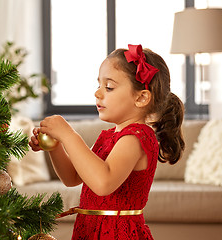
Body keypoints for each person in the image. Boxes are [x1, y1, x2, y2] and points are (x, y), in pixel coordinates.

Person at [29, 44, 185, 239]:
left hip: (117, 233)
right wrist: (55, 145)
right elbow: (72, 178)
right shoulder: (107, 136)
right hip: (89, 230)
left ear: (141, 97)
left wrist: (69, 135)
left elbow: (103, 182)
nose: (98, 93)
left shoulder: (137, 137)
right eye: (99, 85)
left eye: (109, 87)